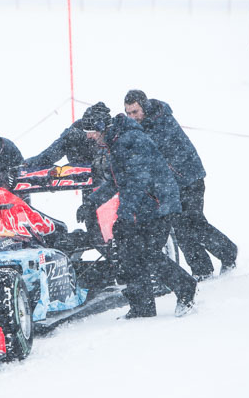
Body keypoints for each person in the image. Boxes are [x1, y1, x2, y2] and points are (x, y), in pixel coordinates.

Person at [80, 107, 197, 318]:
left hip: (157, 204)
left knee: (145, 253)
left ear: (101, 127)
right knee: (131, 253)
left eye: (90, 130)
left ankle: (185, 287)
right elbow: (118, 181)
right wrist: (91, 202)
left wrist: (125, 215)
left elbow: (137, 182)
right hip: (143, 206)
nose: (88, 136)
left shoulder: (129, 140)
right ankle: (142, 306)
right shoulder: (116, 142)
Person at [124, 90, 237, 280]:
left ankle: (228, 252)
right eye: (128, 113)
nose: (132, 117)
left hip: (189, 179)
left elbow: (157, 151)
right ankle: (201, 269)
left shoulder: (161, 121)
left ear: (144, 107)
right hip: (170, 185)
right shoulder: (140, 127)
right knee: (180, 227)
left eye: (135, 112)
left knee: (194, 222)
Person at [24, 104, 105, 241]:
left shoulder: (113, 135)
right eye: (87, 131)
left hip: (109, 184)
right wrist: (28, 164)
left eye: (93, 131)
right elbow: (50, 154)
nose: (90, 135)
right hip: (89, 183)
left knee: (106, 224)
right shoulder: (73, 135)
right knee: (93, 225)